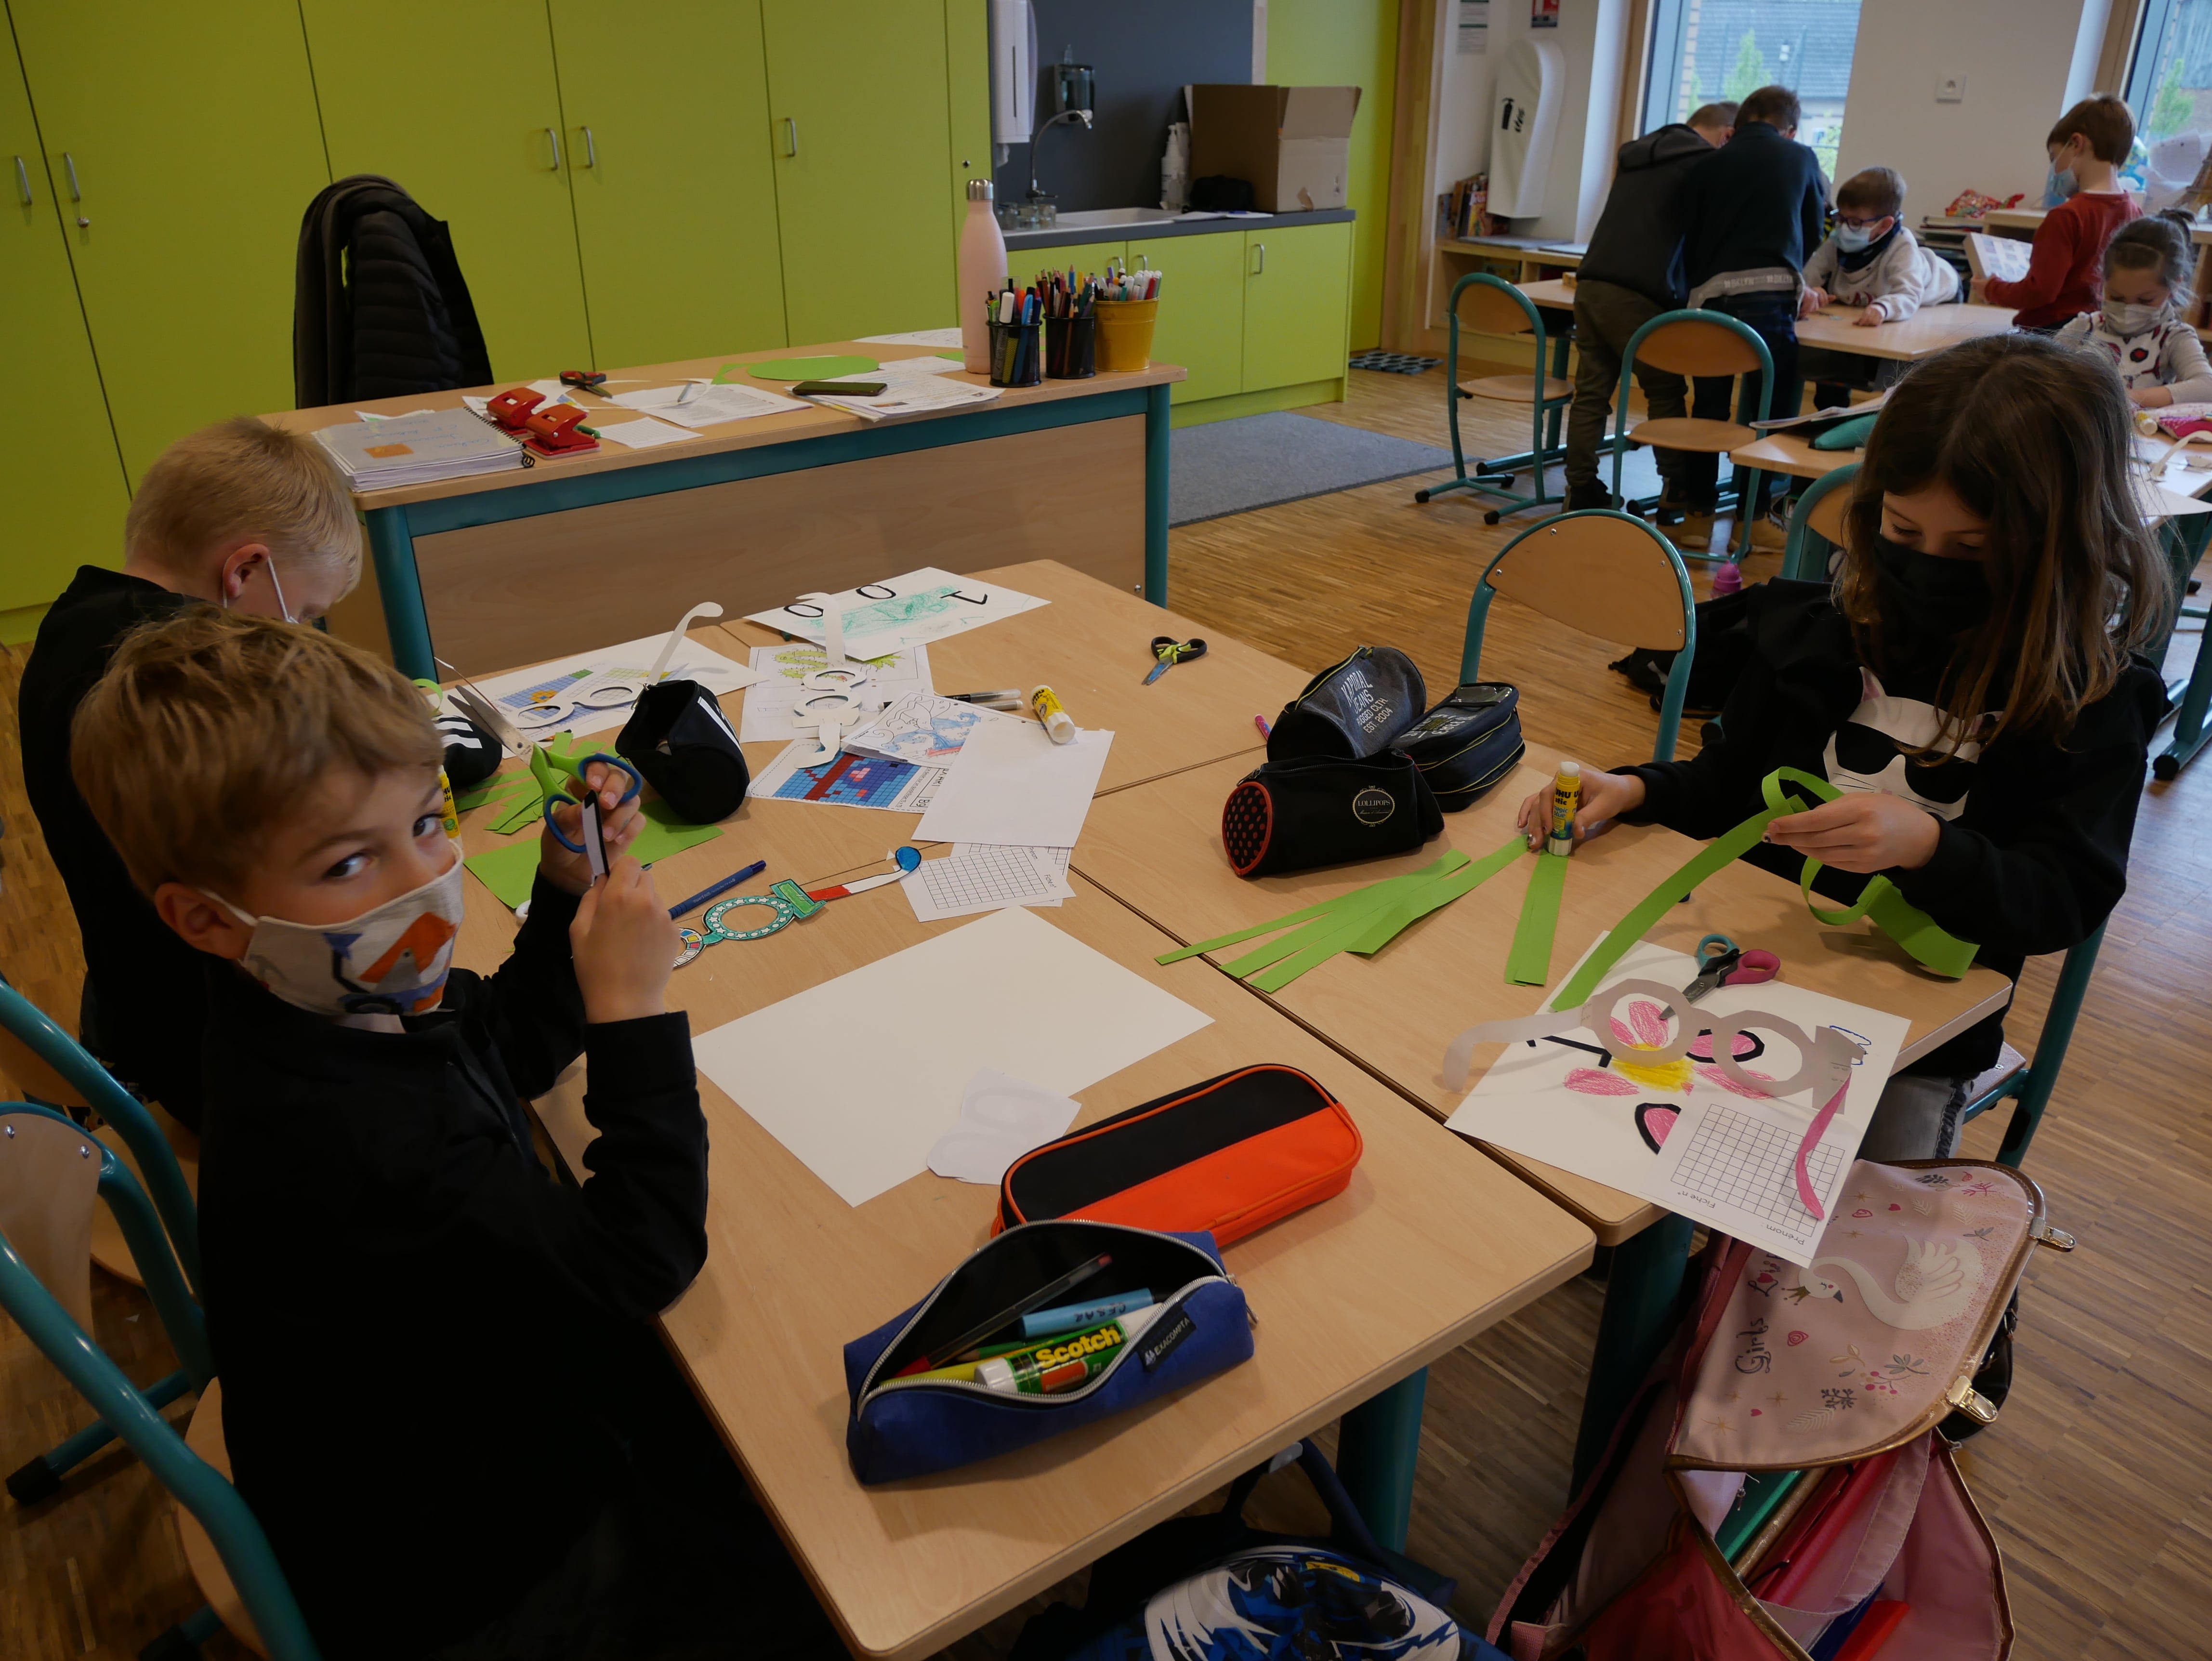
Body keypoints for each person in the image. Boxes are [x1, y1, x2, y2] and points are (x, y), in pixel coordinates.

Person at [68, 611, 836, 1660]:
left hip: (436, 1439)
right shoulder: (362, 1135)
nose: (419, 877)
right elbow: (640, 1257)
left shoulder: (313, 1000)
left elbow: (507, 1043)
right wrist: (632, 1011)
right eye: (348, 862)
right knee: (803, 1534)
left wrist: (562, 887)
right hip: (463, 1574)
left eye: (428, 820)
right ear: (204, 917)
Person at [1518, 333, 2167, 1161]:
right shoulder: (1821, 635)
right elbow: (1730, 785)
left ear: (2058, 545)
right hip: (1748, 972)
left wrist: (1929, 847)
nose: (1928, 569)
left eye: (1973, 550)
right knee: (1606, 1140)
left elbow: (2062, 900)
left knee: (1845, 1201)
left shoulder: (2089, 701)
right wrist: (1639, 789)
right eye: (1902, 529)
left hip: (1916, 1036)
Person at [16, 417, 361, 1134]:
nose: (300, 634)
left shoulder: (72, 623)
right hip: (222, 1066)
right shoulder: (188, 673)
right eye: (305, 614)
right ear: (243, 572)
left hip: (135, 1009)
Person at [1561, 100, 1738, 513]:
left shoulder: (1637, 153)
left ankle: (1580, 487)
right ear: (1727, 135)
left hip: (1591, 283)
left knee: (1591, 393)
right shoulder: (1703, 164)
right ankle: (1676, 487)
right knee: (1664, 391)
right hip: (1640, 294)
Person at [1672, 84, 1829, 549]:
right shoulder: (1800, 158)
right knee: (1770, 414)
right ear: (1790, 129)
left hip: (1710, 303)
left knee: (1708, 411)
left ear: (1736, 126)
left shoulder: (1708, 163)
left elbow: (1688, 235)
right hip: (1770, 302)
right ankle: (1752, 518)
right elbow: (1813, 229)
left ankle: (1698, 516)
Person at [1798, 166, 1961, 410]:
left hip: (1939, 290)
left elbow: (1909, 294)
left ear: (1885, 225)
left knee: (1901, 358)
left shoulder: (1902, 246)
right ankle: (1829, 411)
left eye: (1855, 222)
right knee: (1835, 358)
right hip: (1865, 302)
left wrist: (1884, 308)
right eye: (1841, 218)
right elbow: (1810, 273)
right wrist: (1811, 290)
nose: (1844, 228)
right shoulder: (1839, 241)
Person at [1974, 94, 2140, 330]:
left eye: (2054, 158)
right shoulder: (2135, 213)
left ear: (2076, 144)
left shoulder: (2067, 216)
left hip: (2051, 334)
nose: (2054, 170)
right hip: (2101, 332)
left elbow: (2039, 291)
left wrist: (1991, 289)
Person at [2055, 208, 2212, 408]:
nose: (2128, 309)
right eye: (2117, 297)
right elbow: (2044, 369)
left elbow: (2207, 386)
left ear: (2174, 287)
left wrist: (2126, 399)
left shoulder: (2174, 337)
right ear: (2103, 281)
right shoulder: (2084, 327)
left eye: (2145, 300)